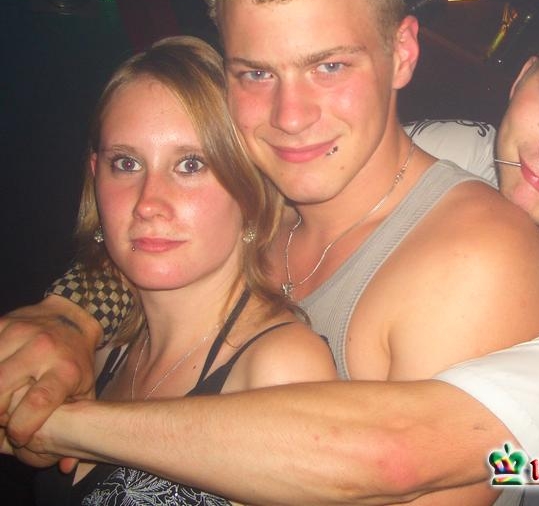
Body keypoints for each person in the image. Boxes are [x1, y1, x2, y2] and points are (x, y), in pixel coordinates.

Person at [2, 0, 539, 503]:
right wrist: (73, 314)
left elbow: (401, 454)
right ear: (523, 79)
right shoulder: (457, 150)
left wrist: (65, 426)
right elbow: (205, 203)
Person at [33, 35, 339, 504]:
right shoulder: (101, 350)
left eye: (191, 164)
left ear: (249, 189)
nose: (148, 203)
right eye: (126, 163)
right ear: (95, 176)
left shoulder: (278, 368)